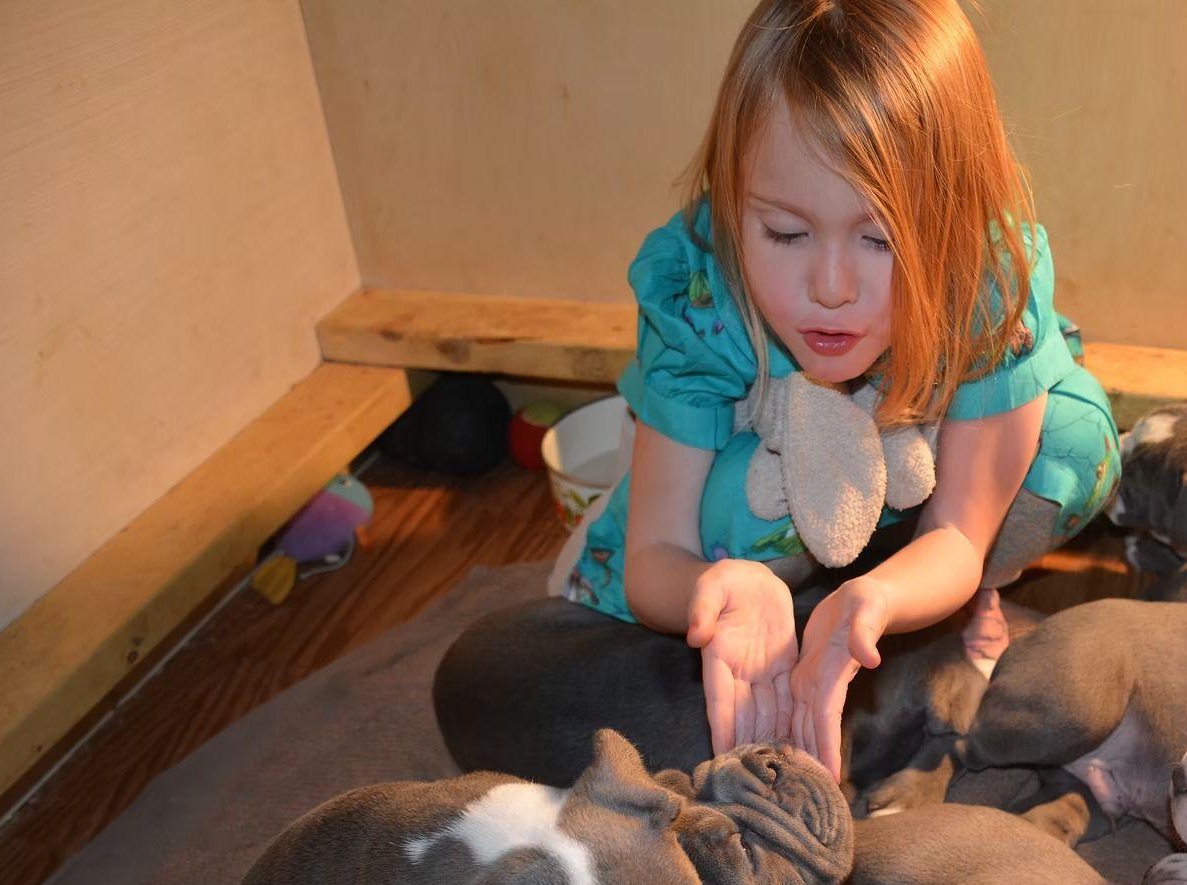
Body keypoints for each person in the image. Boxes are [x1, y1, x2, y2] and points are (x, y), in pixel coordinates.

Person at [434, 0, 1120, 784]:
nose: (831, 287)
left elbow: (963, 533)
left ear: (957, 216)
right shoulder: (699, 285)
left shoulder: (989, 282)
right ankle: (789, 604)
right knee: (738, 506)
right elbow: (656, 553)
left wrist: (880, 600)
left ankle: (901, 605)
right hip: (733, 514)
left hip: (906, 497)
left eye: (882, 238)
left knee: (1072, 438)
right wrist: (719, 586)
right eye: (786, 234)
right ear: (731, 201)